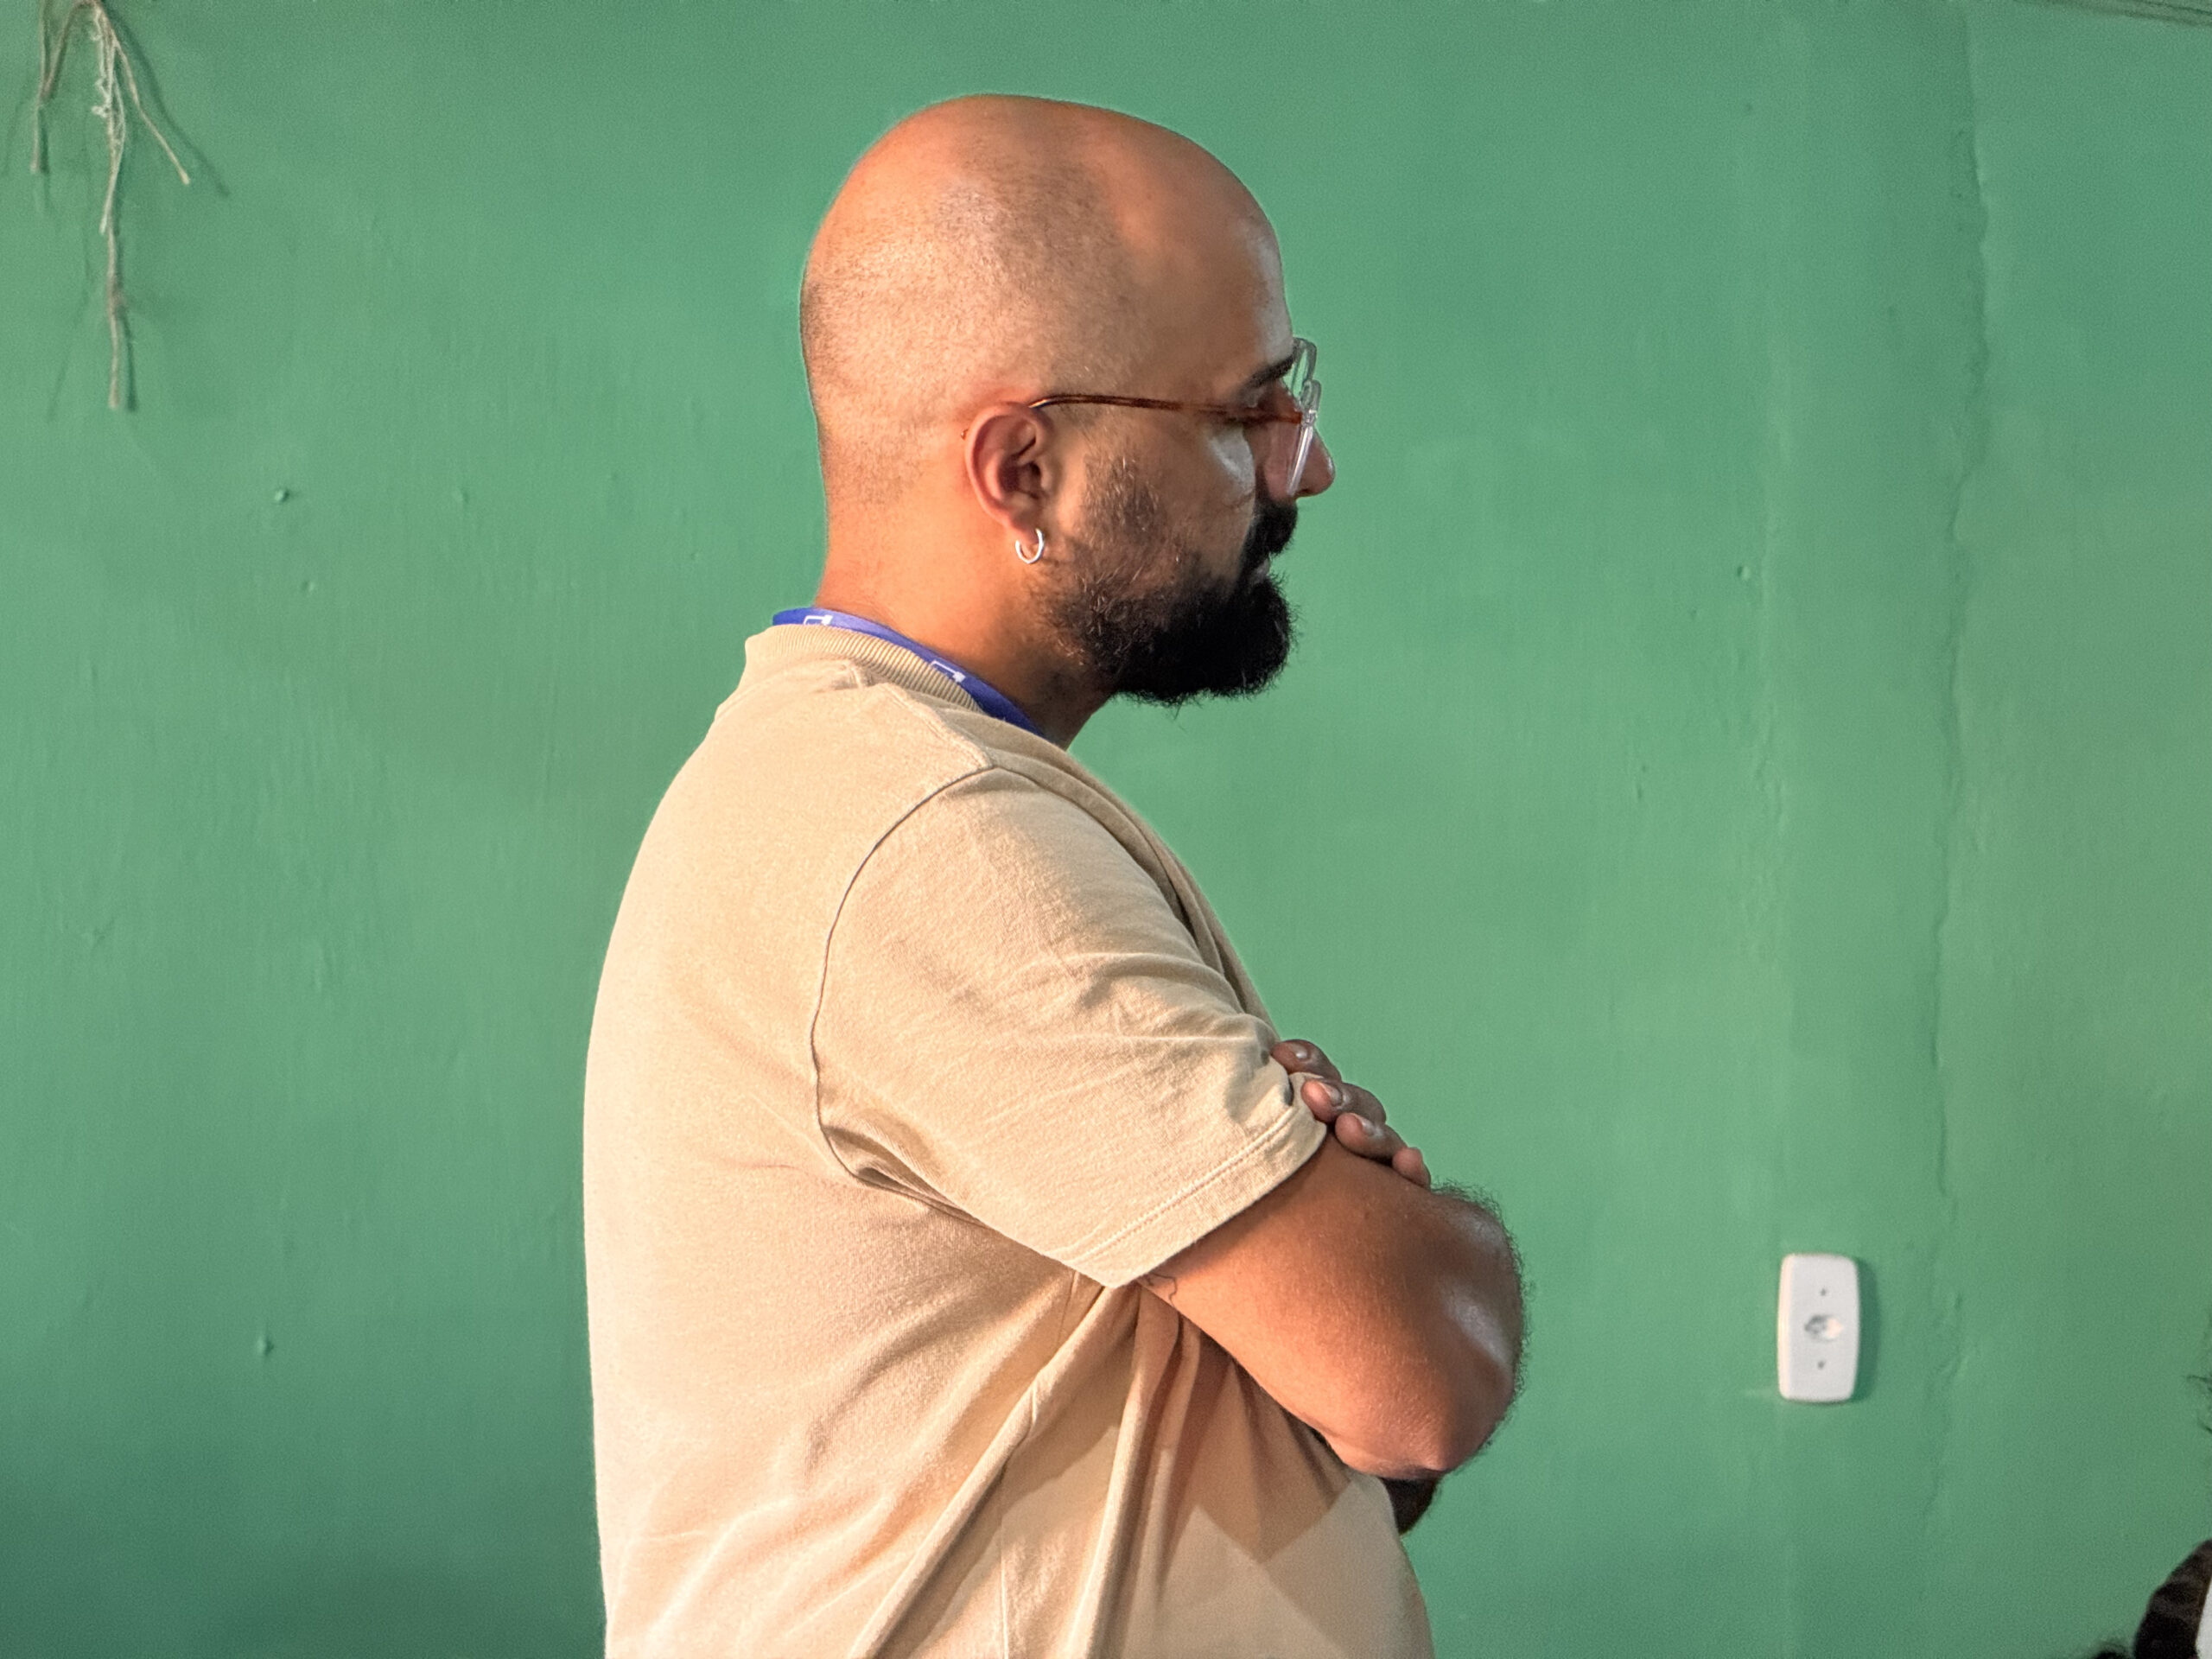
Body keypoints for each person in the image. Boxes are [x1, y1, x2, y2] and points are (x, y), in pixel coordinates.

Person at [582, 94, 1525, 1657]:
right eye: (1248, 410)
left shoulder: (891, 790)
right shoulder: (919, 834)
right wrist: (1415, 1256)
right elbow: (1420, 1371)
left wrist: (1335, 1319)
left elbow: (1336, 1425)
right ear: (1024, 467)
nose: (1307, 466)